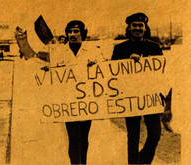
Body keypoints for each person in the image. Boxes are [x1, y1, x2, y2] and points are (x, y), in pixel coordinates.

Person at [111, 13, 172, 164]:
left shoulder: (154, 47)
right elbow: (112, 74)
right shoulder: (119, 48)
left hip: (150, 98)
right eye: (134, 25)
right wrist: (127, 62)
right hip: (130, 99)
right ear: (129, 28)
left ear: (145, 28)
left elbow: (162, 73)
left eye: (140, 25)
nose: (137, 28)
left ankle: (142, 160)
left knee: (155, 134)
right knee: (133, 137)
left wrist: (166, 103)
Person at [54, 20, 104, 165]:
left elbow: (104, 71)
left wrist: (95, 66)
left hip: (86, 102)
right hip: (68, 102)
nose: (73, 34)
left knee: (84, 138)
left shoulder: (93, 51)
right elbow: (53, 74)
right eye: (70, 31)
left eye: (76, 31)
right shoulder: (59, 53)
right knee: (73, 138)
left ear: (83, 33)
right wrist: (47, 71)